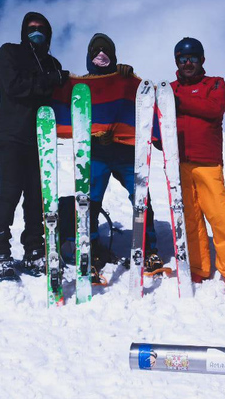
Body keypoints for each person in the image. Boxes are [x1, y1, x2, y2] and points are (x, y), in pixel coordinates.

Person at [52, 33, 161, 279]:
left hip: (126, 152)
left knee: (142, 198)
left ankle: (149, 248)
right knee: (88, 202)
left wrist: (130, 78)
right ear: (89, 57)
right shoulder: (80, 86)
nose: (101, 54)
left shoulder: (123, 80)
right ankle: (91, 249)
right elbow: (76, 117)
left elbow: (142, 102)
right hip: (96, 154)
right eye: (96, 50)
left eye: (106, 50)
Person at [0, 12, 69, 281]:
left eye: (42, 28)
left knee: (36, 197)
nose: (37, 32)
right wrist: (49, 80)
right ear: (24, 30)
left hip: (41, 138)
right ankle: (0, 252)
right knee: (9, 193)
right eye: (32, 28)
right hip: (12, 135)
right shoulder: (9, 53)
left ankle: (34, 248)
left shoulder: (52, 63)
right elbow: (14, 87)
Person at [170, 37, 225, 295]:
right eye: (182, 59)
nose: (187, 63)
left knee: (221, 218)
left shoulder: (215, 84)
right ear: (177, 61)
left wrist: (178, 102)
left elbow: (215, 109)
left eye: (192, 58)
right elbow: (159, 119)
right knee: (190, 220)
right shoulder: (170, 89)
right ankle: (199, 268)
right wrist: (158, 138)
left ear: (201, 59)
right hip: (179, 164)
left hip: (208, 164)